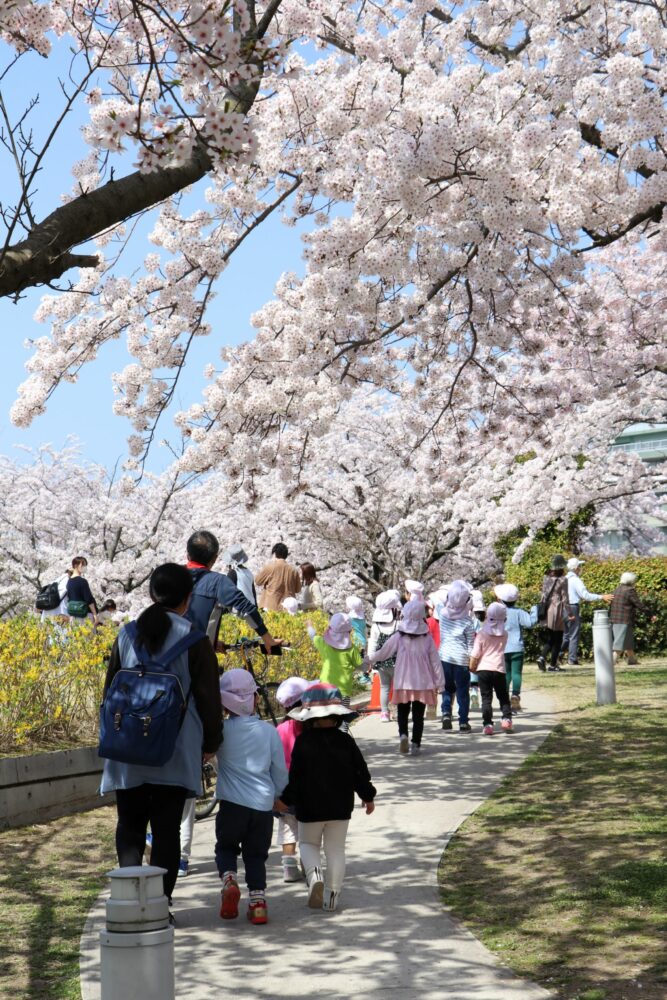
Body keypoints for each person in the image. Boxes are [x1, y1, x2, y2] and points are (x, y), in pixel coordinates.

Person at [100, 563, 221, 907]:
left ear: (152, 594)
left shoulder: (126, 635)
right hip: (175, 749)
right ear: (187, 599)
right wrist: (211, 744)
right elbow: (210, 699)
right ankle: (159, 905)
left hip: (127, 750)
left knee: (130, 824)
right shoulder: (195, 640)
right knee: (167, 830)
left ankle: (128, 900)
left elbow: (110, 693)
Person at [277, 683, 376, 912]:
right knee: (336, 849)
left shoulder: (303, 742)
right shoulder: (346, 741)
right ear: (337, 715)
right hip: (340, 806)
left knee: (308, 844)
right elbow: (360, 772)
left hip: (309, 808)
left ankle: (314, 877)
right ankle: (332, 895)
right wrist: (367, 796)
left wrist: (286, 798)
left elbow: (296, 778)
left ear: (310, 716)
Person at [215, 669, 288, 925]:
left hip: (231, 805)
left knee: (225, 847)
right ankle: (258, 904)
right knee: (256, 856)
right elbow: (279, 770)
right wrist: (279, 795)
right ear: (255, 699)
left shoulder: (221, 732)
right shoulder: (268, 732)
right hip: (262, 807)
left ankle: (229, 879)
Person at [365, 600, 443, 755]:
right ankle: (416, 744)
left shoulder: (399, 637)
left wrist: (369, 659)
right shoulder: (427, 638)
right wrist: (440, 683)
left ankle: (403, 736)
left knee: (402, 712)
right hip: (422, 682)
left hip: (403, 681)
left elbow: (384, 652)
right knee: (418, 716)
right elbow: (435, 662)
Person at [185, 530, 279, 653]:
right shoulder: (218, 582)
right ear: (214, 558)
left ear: (187, 554)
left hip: (164, 656)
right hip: (198, 658)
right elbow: (247, 609)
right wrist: (268, 639)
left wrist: (213, 642)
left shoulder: (169, 575)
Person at [274, 676, 312, 881]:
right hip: (306, 789)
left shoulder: (279, 730)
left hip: (283, 789)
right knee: (308, 829)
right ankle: (309, 864)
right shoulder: (308, 727)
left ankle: (288, 867)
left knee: (288, 828)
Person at [436, 580, 475, 732]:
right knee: (462, 691)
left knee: (446, 688)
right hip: (461, 659)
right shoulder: (467, 620)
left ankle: (446, 713)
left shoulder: (443, 614)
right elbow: (471, 643)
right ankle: (463, 722)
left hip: (444, 656)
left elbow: (442, 601)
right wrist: (472, 659)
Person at [494, 583, 538, 712]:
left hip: (502, 647)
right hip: (517, 647)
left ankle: (505, 697)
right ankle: (516, 695)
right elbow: (530, 623)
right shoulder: (519, 612)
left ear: (501, 599)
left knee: (506, 674)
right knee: (517, 673)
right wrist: (535, 609)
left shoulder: (498, 612)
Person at [469, 601, 512, 735]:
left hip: (483, 669)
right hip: (499, 668)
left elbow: (475, 654)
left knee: (486, 698)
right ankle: (506, 719)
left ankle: (487, 724)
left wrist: (472, 667)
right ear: (504, 618)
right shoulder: (504, 634)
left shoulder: (482, 634)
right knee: (503, 696)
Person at [307, 612, 363, 711]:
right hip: (344, 691)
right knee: (343, 718)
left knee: (327, 718)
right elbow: (361, 666)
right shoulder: (351, 649)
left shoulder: (323, 643)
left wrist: (309, 625)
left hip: (325, 688)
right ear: (349, 632)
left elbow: (313, 636)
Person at [561, 557, 612, 664]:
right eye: (579, 566)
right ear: (576, 568)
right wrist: (601, 597)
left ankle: (557, 656)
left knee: (565, 635)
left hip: (562, 608)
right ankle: (572, 659)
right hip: (572, 607)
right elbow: (585, 595)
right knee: (574, 634)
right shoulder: (575, 580)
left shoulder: (563, 579)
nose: (581, 568)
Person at [366, 590, 402, 722]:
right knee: (398, 687)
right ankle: (397, 712)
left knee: (384, 687)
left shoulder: (376, 626)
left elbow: (373, 644)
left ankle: (384, 713)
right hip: (397, 661)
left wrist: (370, 659)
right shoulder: (398, 625)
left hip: (381, 662)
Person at [536, 555, 569, 673]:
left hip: (547, 609)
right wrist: (570, 613)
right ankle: (552, 664)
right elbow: (565, 598)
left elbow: (543, 594)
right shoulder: (563, 579)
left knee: (552, 637)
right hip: (557, 608)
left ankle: (542, 657)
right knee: (558, 638)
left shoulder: (546, 578)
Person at [610, 572, 651, 665]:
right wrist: (650, 614)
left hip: (615, 619)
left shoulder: (617, 589)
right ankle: (611, 662)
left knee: (628, 641)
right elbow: (638, 604)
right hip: (624, 619)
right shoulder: (630, 590)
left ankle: (632, 660)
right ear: (631, 581)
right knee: (619, 643)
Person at [255, 543, 302, 611]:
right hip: (288, 608)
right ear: (286, 555)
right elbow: (298, 590)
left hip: (271, 607)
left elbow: (258, 581)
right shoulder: (294, 571)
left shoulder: (270, 567)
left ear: (275, 554)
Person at [66, 556, 98, 623]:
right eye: (83, 565)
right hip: (84, 615)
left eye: (85, 565)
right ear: (75, 565)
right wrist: (95, 614)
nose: (84, 567)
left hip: (73, 615)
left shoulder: (69, 581)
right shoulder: (82, 581)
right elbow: (89, 599)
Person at [469, 590, 486, 711]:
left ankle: (472, 692)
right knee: (477, 671)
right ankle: (475, 691)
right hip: (482, 648)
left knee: (469, 671)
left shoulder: (468, 617)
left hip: (470, 647)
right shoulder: (483, 619)